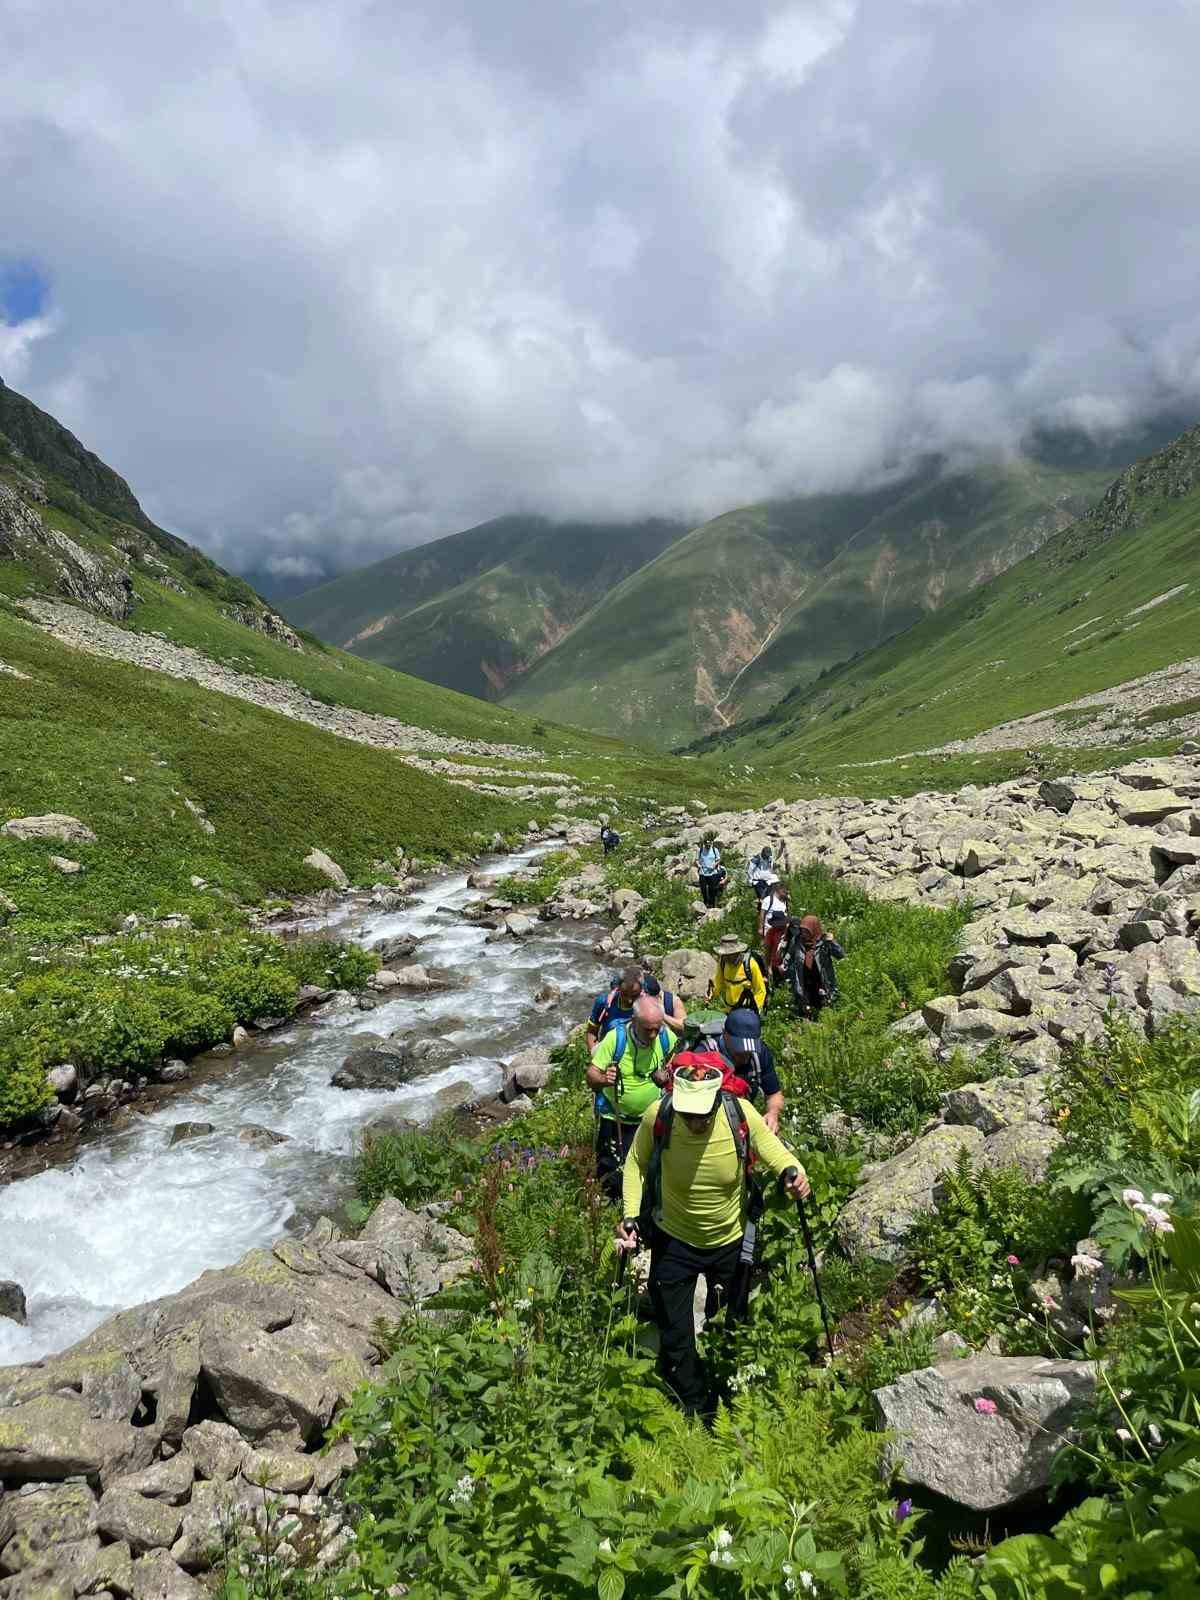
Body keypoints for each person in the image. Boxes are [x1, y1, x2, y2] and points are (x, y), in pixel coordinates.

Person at [617, 1058, 810, 1417]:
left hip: (731, 1243)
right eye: (688, 1115)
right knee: (675, 1336)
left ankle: (730, 1396)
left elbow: (773, 1150)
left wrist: (792, 1173)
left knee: (731, 1329)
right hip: (673, 1242)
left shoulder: (741, 1114)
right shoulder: (658, 1115)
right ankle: (695, 1407)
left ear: (717, 1099)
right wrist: (630, 1214)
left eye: (702, 1115)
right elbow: (635, 1163)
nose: (694, 1121)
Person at [587, 995, 674, 1200]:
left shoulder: (665, 1036)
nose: (653, 1034)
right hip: (616, 1119)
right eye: (647, 1029)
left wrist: (669, 1072)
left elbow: (678, 1057)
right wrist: (603, 1079)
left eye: (657, 1028)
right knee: (613, 1169)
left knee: (651, 1166)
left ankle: (645, 1206)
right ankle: (611, 1210)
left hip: (651, 1119)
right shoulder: (615, 1039)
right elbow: (591, 1075)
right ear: (633, 1021)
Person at [714, 1007, 785, 1133]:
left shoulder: (760, 1053)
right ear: (725, 1034)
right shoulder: (704, 1055)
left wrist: (772, 1114)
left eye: (749, 1049)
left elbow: (774, 1094)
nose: (745, 1054)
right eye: (739, 1047)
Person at [783, 914, 845, 1021]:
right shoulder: (797, 940)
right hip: (804, 981)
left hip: (821, 982)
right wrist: (788, 972)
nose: (803, 934)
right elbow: (788, 957)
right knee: (805, 1010)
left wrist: (833, 942)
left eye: (807, 931)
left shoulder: (824, 942)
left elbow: (840, 955)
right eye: (802, 930)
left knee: (825, 1011)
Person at [587, 965, 644, 1053]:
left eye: (634, 995)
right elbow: (592, 1031)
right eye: (625, 994)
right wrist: (595, 1055)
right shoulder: (604, 1003)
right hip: (608, 1056)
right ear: (618, 988)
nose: (629, 1000)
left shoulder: (647, 1006)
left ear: (641, 990)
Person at [708, 934, 767, 1013]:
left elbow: (760, 990)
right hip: (729, 1009)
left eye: (730, 954)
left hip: (747, 1009)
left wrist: (754, 1010)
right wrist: (711, 995)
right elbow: (719, 983)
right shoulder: (723, 962)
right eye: (724, 954)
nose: (726, 957)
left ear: (738, 952)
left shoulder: (750, 964)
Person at [640, 968, 688, 1036]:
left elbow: (684, 1026)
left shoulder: (672, 1001)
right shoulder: (635, 1000)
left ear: (658, 996)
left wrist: (663, 1016)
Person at [757, 880, 790, 978]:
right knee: (768, 950)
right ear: (779, 889)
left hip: (780, 930)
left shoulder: (783, 902)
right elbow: (762, 914)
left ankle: (776, 968)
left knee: (778, 950)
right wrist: (760, 928)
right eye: (784, 890)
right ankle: (768, 968)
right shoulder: (768, 900)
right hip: (769, 929)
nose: (786, 892)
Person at [697, 833, 727, 908]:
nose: (708, 846)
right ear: (704, 844)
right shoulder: (700, 850)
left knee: (712, 889)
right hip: (703, 873)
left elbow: (718, 859)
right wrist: (698, 865)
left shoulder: (714, 850)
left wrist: (715, 864)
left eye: (709, 844)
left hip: (712, 873)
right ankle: (706, 902)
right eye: (706, 845)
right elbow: (697, 860)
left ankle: (712, 904)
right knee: (703, 889)